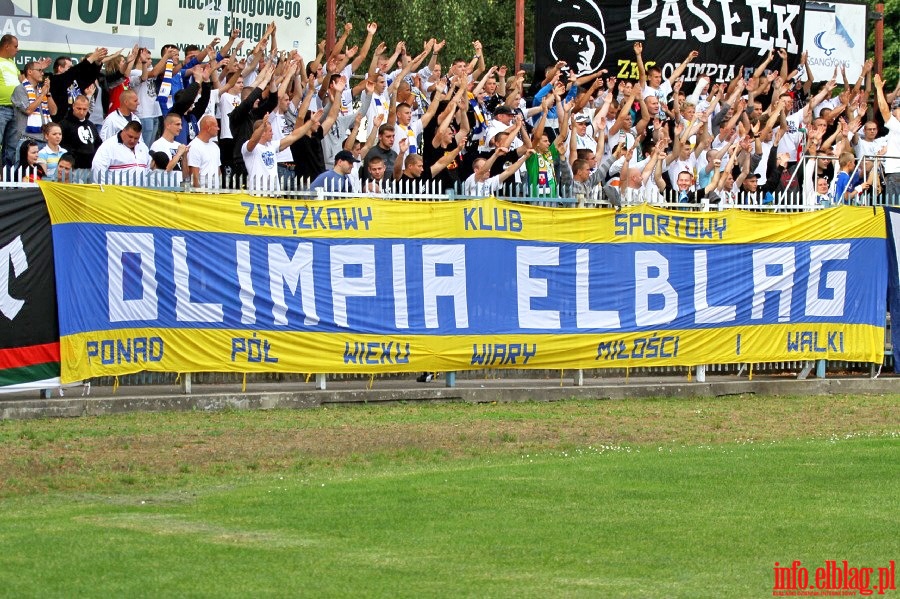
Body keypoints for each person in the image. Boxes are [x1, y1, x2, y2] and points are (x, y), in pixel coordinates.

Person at [59, 94, 100, 182]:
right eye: (79, 108)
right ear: (73, 106)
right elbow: (61, 145)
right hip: (74, 168)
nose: (81, 112)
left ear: (88, 108)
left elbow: (98, 145)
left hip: (91, 168)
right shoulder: (64, 124)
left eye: (84, 109)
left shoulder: (91, 125)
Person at [0, 34, 21, 167]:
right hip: (1, 108)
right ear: (6, 46)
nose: (17, 49)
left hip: (16, 109)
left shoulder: (12, 62)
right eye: (15, 46)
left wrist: (37, 68)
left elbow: (21, 79)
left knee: (11, 147)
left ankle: (8, 182)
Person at [187, 114, 221, 188]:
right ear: (208, 127)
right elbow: (194, 175)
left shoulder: (215, 147)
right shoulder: (194, 146)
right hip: (202, 194)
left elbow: (218, 171)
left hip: (216, 194)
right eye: (215, 126)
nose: (218, 128)